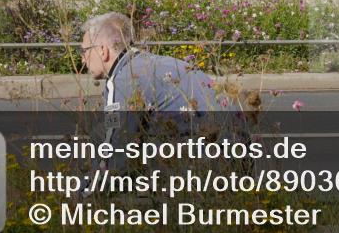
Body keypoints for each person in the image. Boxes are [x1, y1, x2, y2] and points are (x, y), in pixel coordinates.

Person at [79, 12, 259, 168]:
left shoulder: (123, 80)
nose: (82, 60)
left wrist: (85, 194)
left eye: (84, 51)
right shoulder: (157, 62)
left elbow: (116, 148)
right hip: (240, 150)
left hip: (210, 161)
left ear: (103, 51)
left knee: (108, 138)